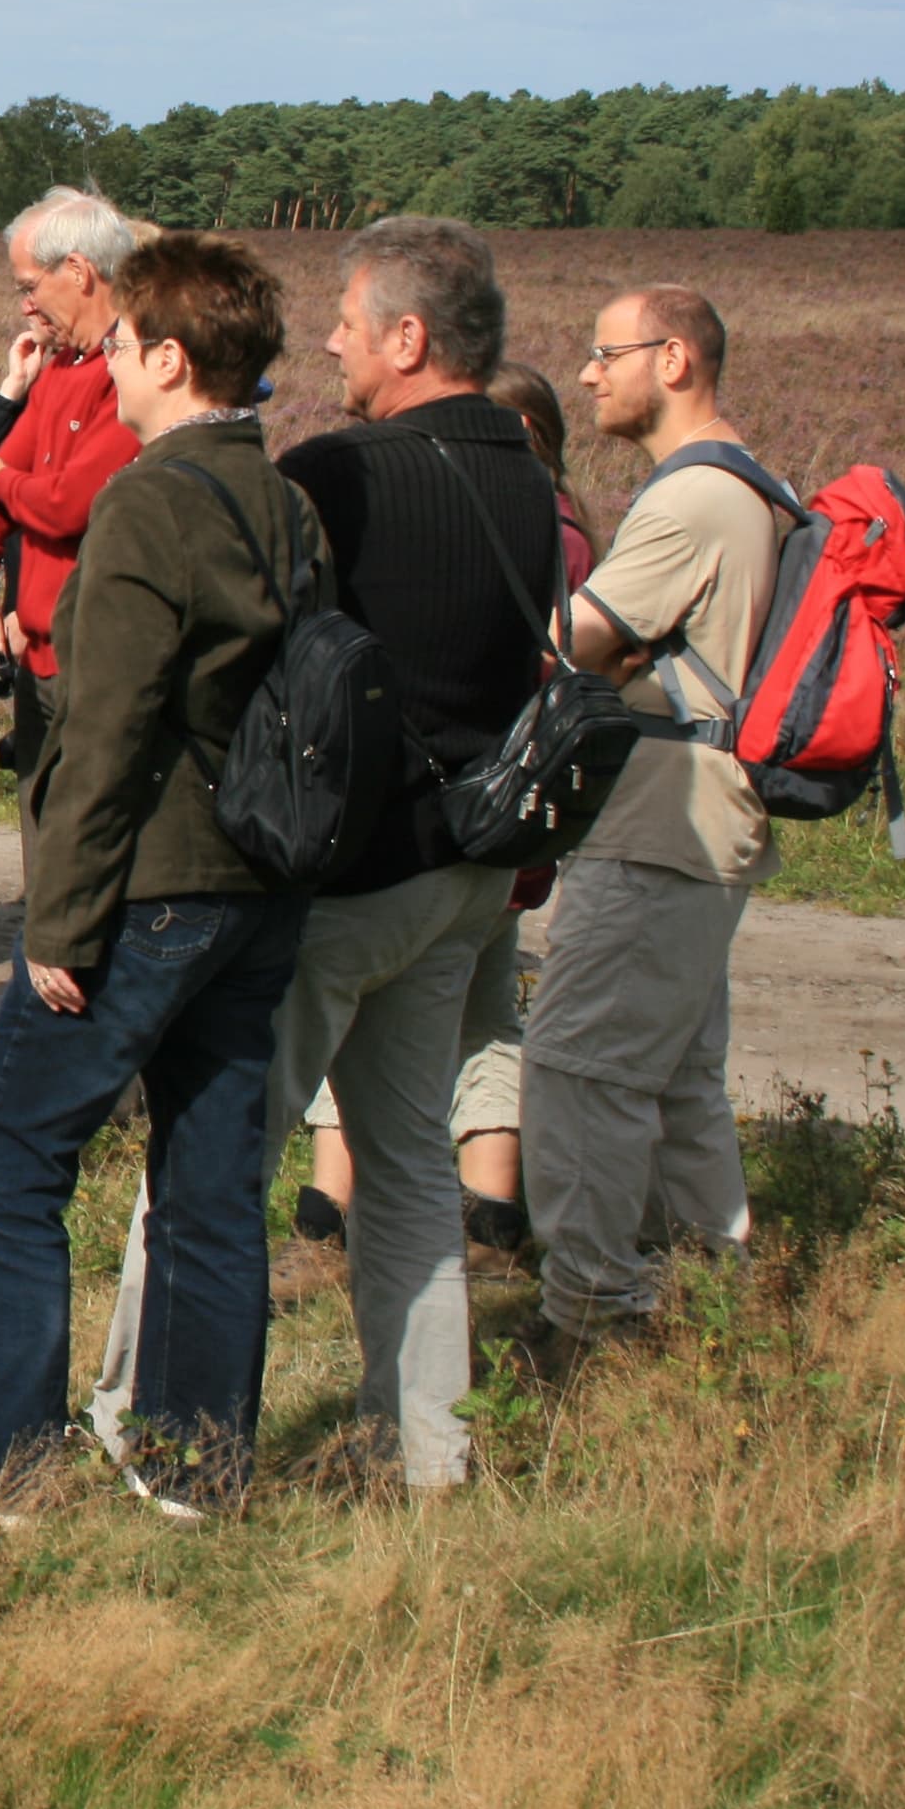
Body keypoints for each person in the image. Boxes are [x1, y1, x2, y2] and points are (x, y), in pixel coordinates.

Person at [92, 218, 557, 1494]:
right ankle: (429, 1447)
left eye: (352, 320)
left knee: (206, 1157)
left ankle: (139, 1414)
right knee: (409, 1170)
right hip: (464, 879)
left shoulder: (341, 475)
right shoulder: (522, 465)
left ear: (411, 338)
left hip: (345, 884)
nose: (333, 341)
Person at [0, 231, 310, 1532]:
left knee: (1, 1170)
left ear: (167, 358)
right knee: (211, 1184)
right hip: (258, 886)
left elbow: (110, 730)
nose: (102, 360)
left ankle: (1, 1467)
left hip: (149, 887)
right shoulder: (283, 500)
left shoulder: (151, 503)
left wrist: (61, 920)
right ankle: (195, 1470)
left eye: (117, 344)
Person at [517, 283, 784, 1377]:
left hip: (663, 826)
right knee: (674, 1073)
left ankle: (587, 1316)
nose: (588, 373)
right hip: (710, 816)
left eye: (605, 351)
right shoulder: (754, 486)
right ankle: (706, 1289)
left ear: (673, 360)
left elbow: (575, 638)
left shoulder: (693, 501)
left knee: (579, 1061)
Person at [297, 357, 594, 1264]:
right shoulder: (551, 512)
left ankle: (321, 1218)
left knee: (340, 1032)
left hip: (405, 837)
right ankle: (487, 1220)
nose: (337, 345)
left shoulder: (374, 485)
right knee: (469, 1040)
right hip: (493, 830)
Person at [0, 186, 143, 770]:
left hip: (99, 659)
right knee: (48, 841)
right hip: (42, 658)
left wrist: (3, 485)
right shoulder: (62, 368)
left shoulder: (134, 368)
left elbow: (67, 504)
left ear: (78, 271)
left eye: (31, 287)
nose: (27, 307)